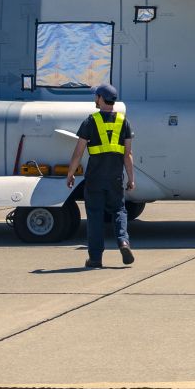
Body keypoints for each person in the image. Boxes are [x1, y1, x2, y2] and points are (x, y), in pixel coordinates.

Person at [66, 83, 135, 267]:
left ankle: (95, 258)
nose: (94, 99)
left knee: (95, 215)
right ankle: (123, 241)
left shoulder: (90, 121)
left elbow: (78, 152)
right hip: (115, 177)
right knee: (119, 211)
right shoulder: (123, 122)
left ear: (101, 99)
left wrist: (71, 174)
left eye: (96, 96)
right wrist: (131, 178)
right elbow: (127, 154)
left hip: (95, 178)